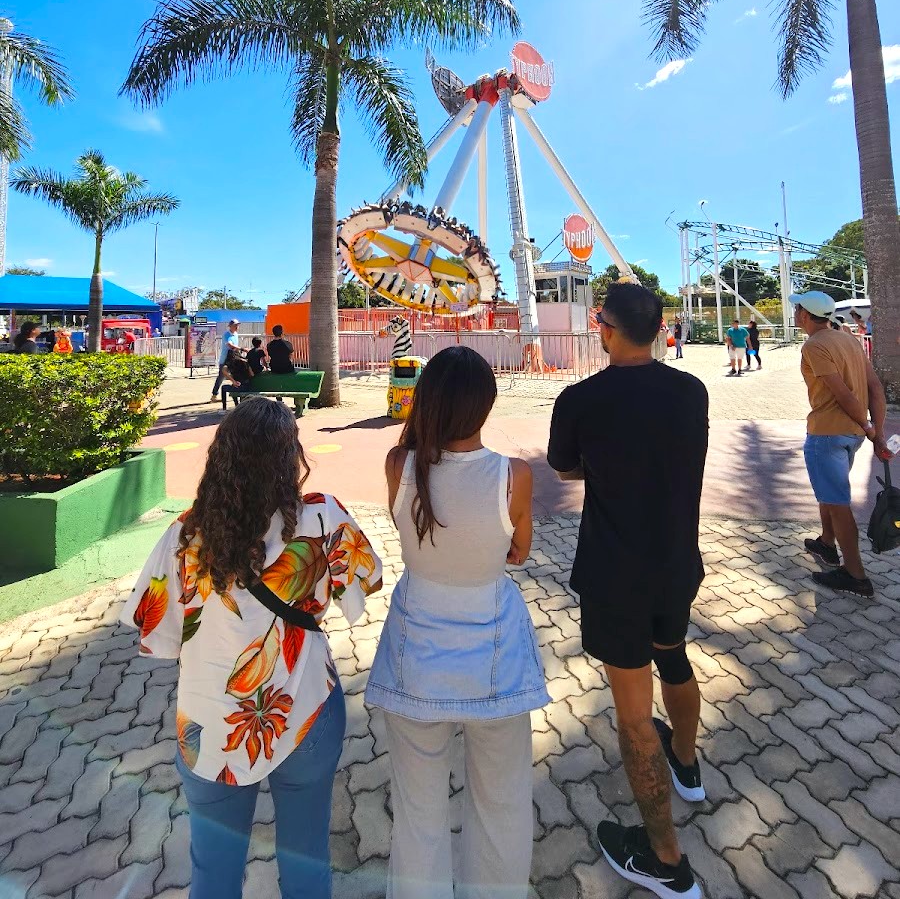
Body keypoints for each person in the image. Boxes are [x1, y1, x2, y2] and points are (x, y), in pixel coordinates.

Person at [121, 399, 382, 899]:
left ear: (221, 457)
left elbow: (159, 639)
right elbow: (363, 589)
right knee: (306, 861)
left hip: (211, 721)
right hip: (305, 711)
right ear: (290, 458)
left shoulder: (184, 535)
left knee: (213, 873)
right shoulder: (323, 518)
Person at [367, 346, 548, 899]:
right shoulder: (512, 475)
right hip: (494, 652)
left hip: (415, 649)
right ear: (487, 404)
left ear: (426, 400)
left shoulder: (401, 465)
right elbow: (519, 550)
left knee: (417, 807)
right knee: (501, 798)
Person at [547, 283, 708, 899]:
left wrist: (607, 464)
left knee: (635, 714)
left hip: (617, 572)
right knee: (674, 654)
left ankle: (666, 861)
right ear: (662, 328)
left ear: (602, 326)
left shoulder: (581, 399)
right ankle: (687, 766)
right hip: (676, 563)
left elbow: (565, 466)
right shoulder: (690, 391)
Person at [792, 291, 889, 598]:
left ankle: (855, 574)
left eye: (797, 310)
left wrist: (869, 426)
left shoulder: (815, 345)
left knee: (837, 502)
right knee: (829, 491)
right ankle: (826, 542)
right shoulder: (850, 340)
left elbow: (843, 394)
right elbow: (875, 387)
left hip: (828, 433)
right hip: (852, 436)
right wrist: (876, 431)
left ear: (805, 315)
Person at [210, 319, 241, 402]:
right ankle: (214, 394)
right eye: (235, 325)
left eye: (237, 325)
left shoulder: (236, 334)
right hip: (225, 358)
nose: (237, 327)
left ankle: (236, 392)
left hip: (233, 358)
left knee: (236, 375)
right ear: (230, 326)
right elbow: (230, 345)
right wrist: (241, 349)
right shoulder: (226, 334)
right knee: (221, 377)